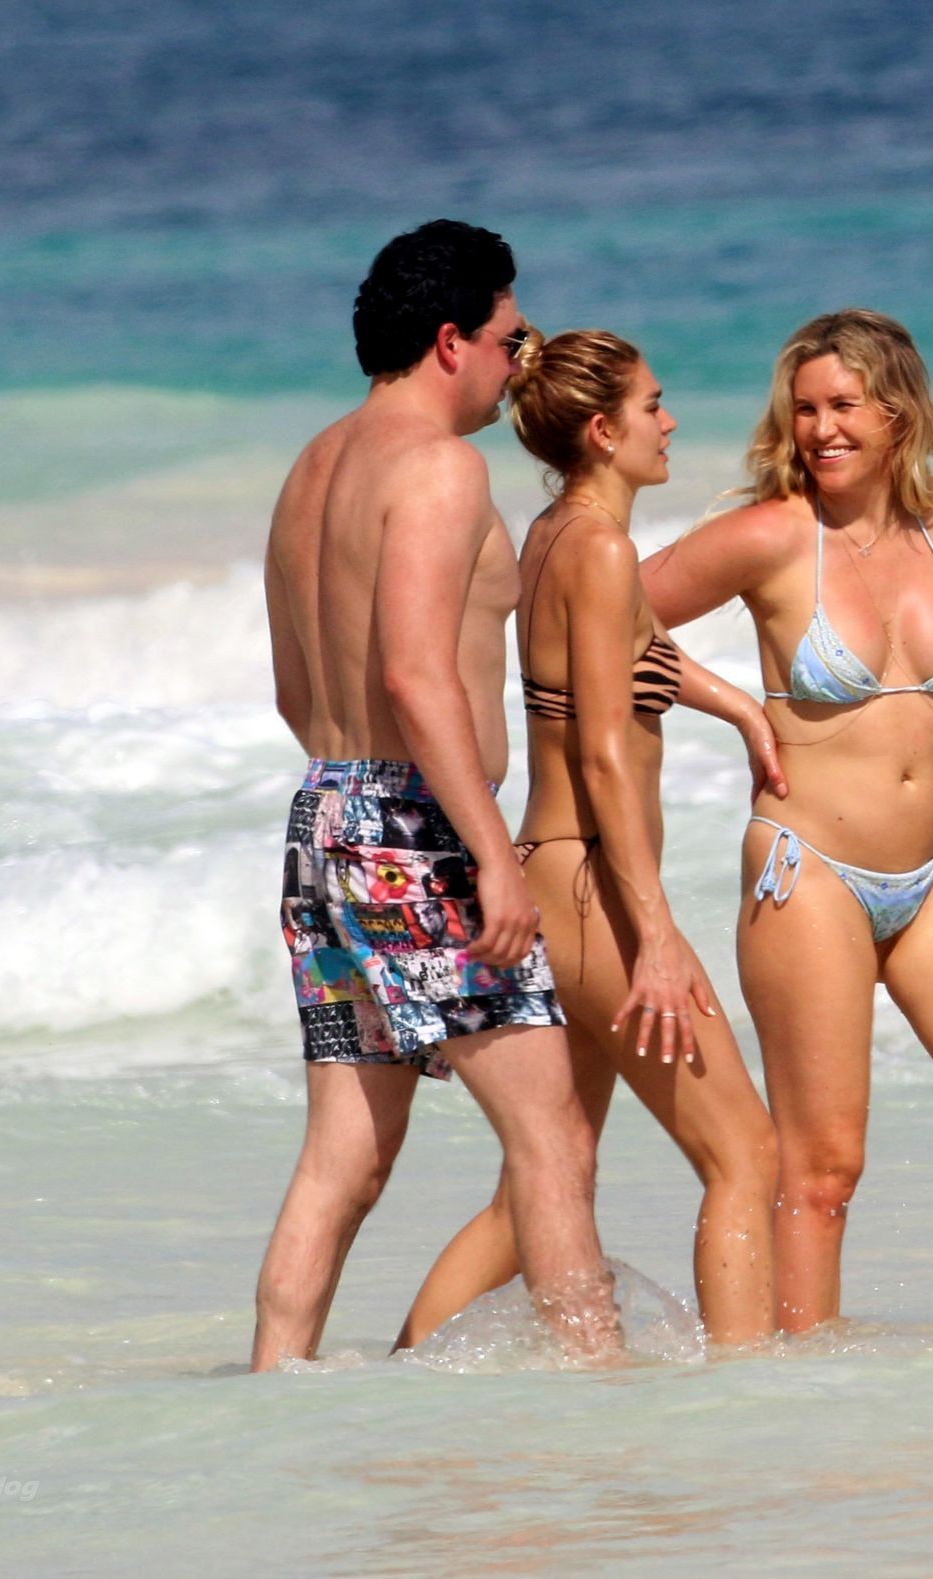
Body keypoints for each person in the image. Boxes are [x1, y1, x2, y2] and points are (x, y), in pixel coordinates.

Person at [640, 309, 933, 1333]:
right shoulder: (771, 536)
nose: (821, 429)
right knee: (824, 1170)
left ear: (898, 412)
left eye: (844, 405)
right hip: (812, 871)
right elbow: (593, 610)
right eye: (804, 409)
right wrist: (735, 703)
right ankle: (810, 1404)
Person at [250, 220, 619, 1371]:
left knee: (345, 1159)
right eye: (511, 339)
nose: (520, 364)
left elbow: (295, 690)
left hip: (325, 816)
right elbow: (417, 675)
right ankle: (600, 1395)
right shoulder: (440, 468)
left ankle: (271, 1393)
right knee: (553, 1138)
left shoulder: (314, 466)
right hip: (417, 827)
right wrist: (491, 858)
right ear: (451, 340)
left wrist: (367, 833)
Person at [394, 329, 784, 1350]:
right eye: (653, 405)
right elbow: (607, 757)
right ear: (605, 432)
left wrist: (740, 708)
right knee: (745, 1156)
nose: (670, 422)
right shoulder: (604, 550)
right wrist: (655, 934)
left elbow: (629, 648)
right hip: (595, 895)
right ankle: (750, 1396)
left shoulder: (554, 535)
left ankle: (398, 1378)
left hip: (543, 876)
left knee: (544, 1177)